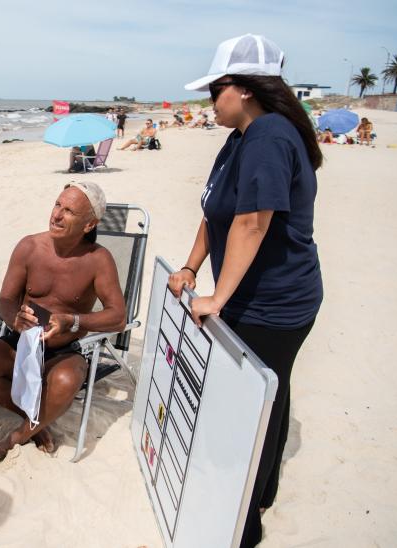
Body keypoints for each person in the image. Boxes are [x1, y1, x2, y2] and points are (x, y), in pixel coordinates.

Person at [174, 34, 323, 547]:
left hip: (276, 302)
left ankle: (244, 527)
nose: (209, 100)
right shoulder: (243, 135)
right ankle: (262, 494)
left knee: (250, 405)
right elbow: (216, 209)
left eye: (215, 89)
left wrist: (217, 299)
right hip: (256, 294)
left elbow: (253, 222)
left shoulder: (269, 136)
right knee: (270, 390)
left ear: (245, 89)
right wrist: (192, 267)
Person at [0, 182, 126, 465]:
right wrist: (14, 317)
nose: (57, 215)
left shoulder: (98, 260)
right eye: (57, 205)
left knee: (67, 379)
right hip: (20, 343)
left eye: (70, 211)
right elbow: (5, 299)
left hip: (62, 351)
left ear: (90, 224)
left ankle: (15, 437)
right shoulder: (30, 247)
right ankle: (36, 421)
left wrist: (73, 321)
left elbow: (118, 317)